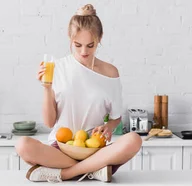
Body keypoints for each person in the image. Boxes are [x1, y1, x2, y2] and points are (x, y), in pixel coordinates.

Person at [15, 4, 142, 183]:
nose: (84, 52)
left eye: (90, 45)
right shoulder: (57, 68)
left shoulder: (111, 72)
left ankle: (66, 174)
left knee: (134, 140)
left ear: (100, 39)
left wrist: (109, 127)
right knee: (23, 145)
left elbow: (115, 118)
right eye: (78, 45)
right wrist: (46, 88)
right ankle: (93, 170)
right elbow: (50, 122)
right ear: (70, 39)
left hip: (96, 149)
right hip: (61, 149)